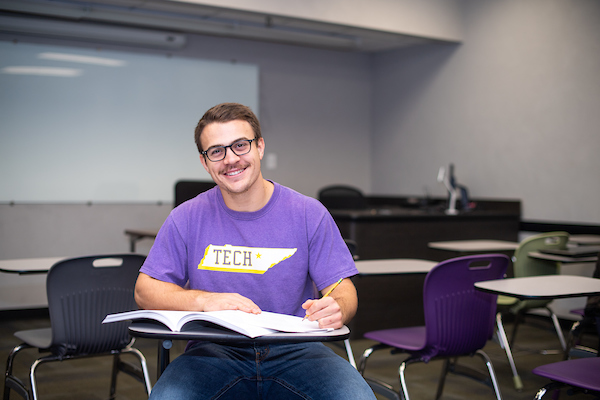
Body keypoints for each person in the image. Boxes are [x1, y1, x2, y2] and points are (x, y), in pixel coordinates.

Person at [134, 102, 376, 399]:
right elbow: (144, 290)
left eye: (240, 145)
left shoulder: (308, 213)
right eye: (216, 151)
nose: (230, 159)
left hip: (297, 350)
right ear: (204, 162)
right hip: (212, 352)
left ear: (259, 147)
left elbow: (343, 289)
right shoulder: (186, 217)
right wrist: (204, 301)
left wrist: (337, 306)